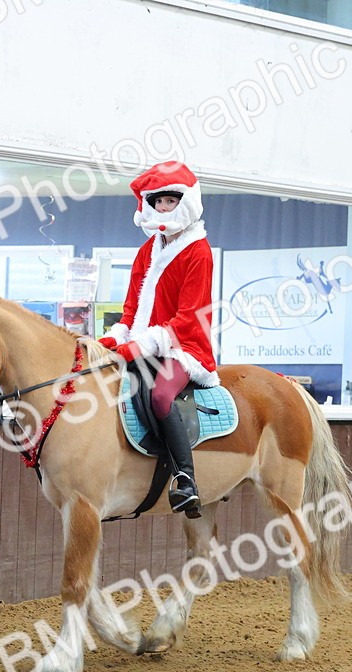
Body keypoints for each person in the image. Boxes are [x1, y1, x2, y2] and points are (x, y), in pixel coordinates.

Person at [98, 161, 218, 519]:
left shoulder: (199, 252)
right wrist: (116, 336)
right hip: (142, 343)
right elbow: (132, 305)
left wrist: (142, 344)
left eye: (170, 201)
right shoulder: (146, 251)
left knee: (161, 394)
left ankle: (186, 479)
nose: (164, 208)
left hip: (185, 346)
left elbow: (188, 316)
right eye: (158, 202)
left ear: (185, 202)